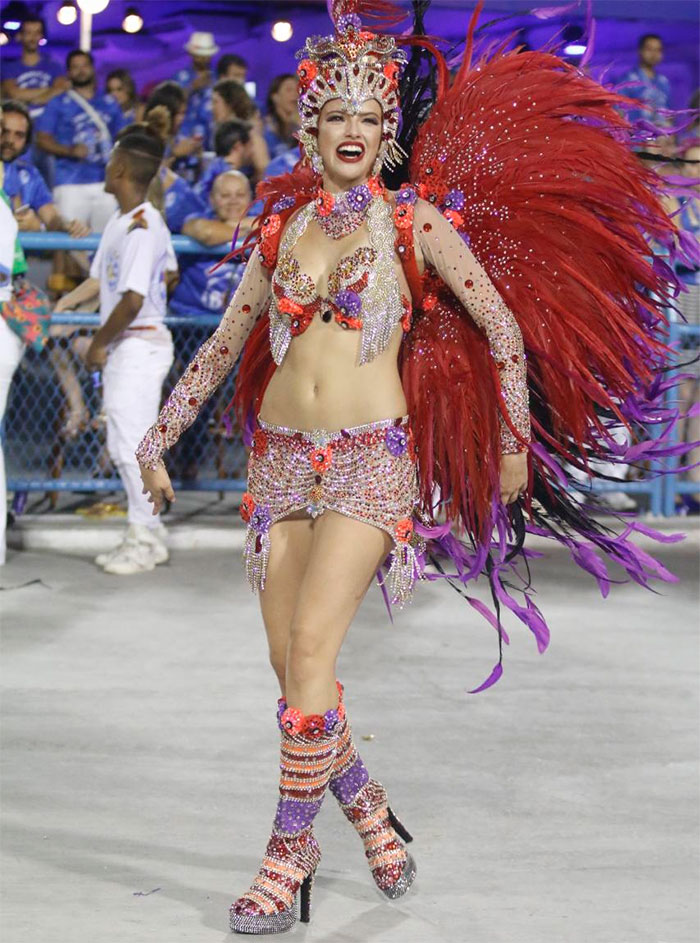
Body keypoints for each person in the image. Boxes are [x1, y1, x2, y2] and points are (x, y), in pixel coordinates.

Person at [135, 2, 694, 935]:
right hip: (277, 468)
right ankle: (365, 805)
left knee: (313, 652)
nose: (352, 131)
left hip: (369, 466)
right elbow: (225, 343)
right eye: (335, 115)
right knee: (290, 669)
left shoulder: (415, 222)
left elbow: (504, 332)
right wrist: (156, 439)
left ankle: (287, 853)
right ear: (308, 125)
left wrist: (514, 444)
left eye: (369, 118)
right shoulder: (278, 231)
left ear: (387, 131)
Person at [56, 109, 177, 575]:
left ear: (122, 170)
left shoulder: (145, 226)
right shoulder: (119, 223)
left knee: (133, 447)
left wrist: (99, 344)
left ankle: (144, 538)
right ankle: (148, 531)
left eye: (110, 163)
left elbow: (130, 299)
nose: (106, 169)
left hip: (138, 343)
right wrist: (67, 304)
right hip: (128, 344)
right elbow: (100, 284)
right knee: (123, 441)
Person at [35, 49, 125, 233]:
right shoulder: (57, 102)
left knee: (107, 239)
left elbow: (123, 136)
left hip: (106, 182)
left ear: (93, 68)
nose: (81, 71)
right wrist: (69, 150)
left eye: (84, 66)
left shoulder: (109, 102)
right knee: (67, 243)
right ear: (68, 72)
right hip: (70, 182)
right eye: (75, 67)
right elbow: (42, 139)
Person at [1, 101, 89, 238]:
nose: (10, 140)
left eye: (19, 135)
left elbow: (52, 217)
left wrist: (68, 225)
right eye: (5, 132)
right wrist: (13, 223)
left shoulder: (29, 174)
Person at [171, 170, 251, 318]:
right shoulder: (196, 219)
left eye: (240, 195)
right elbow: (207, 233)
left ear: (250, 199)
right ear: (212, 200)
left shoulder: (262, 220)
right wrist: (246, 228)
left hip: (240, 331)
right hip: (190, 326)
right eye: (225, 196)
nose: (233, 201)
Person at [622, 34, 674, 156]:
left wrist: (670, 135)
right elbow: (618, 114)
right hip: (636, 147)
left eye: (658, 50)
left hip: (661, 145)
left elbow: (669, 114)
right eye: (650, 49)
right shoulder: (627, 80)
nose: (654, 54)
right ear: (640, 51)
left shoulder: (664, 81)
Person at [263, 73, 300, 160]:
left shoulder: (300, 126)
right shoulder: (266, 127)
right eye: (289, 90)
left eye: (297, 90)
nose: (295, 94)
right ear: (275, 97)